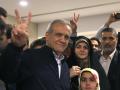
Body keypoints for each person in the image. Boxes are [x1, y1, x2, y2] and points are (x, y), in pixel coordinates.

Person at [16, 19, 72, 90]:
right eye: (58, 35)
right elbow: (8, 75)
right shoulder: (30, 56)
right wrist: (15, 47)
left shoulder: (65, 65)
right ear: (47, 36)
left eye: (66, 37)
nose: (63, 40)